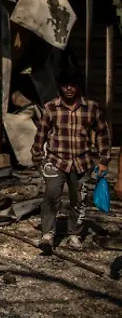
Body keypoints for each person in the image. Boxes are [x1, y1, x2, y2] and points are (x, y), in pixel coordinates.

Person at [31, 72, 111, 252]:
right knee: (51, 196)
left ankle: (73, 234)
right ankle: (47, 234)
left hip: (82, 162)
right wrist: (37, 157)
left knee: (78, 200)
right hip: (55, 160)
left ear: (79, 87)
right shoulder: (51, 107)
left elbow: (102, 135)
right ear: (60, 86)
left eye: (72, 85)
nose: (68, 89)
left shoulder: (91, 108)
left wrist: (104, 159)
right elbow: (41, 134)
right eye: (65, 85)